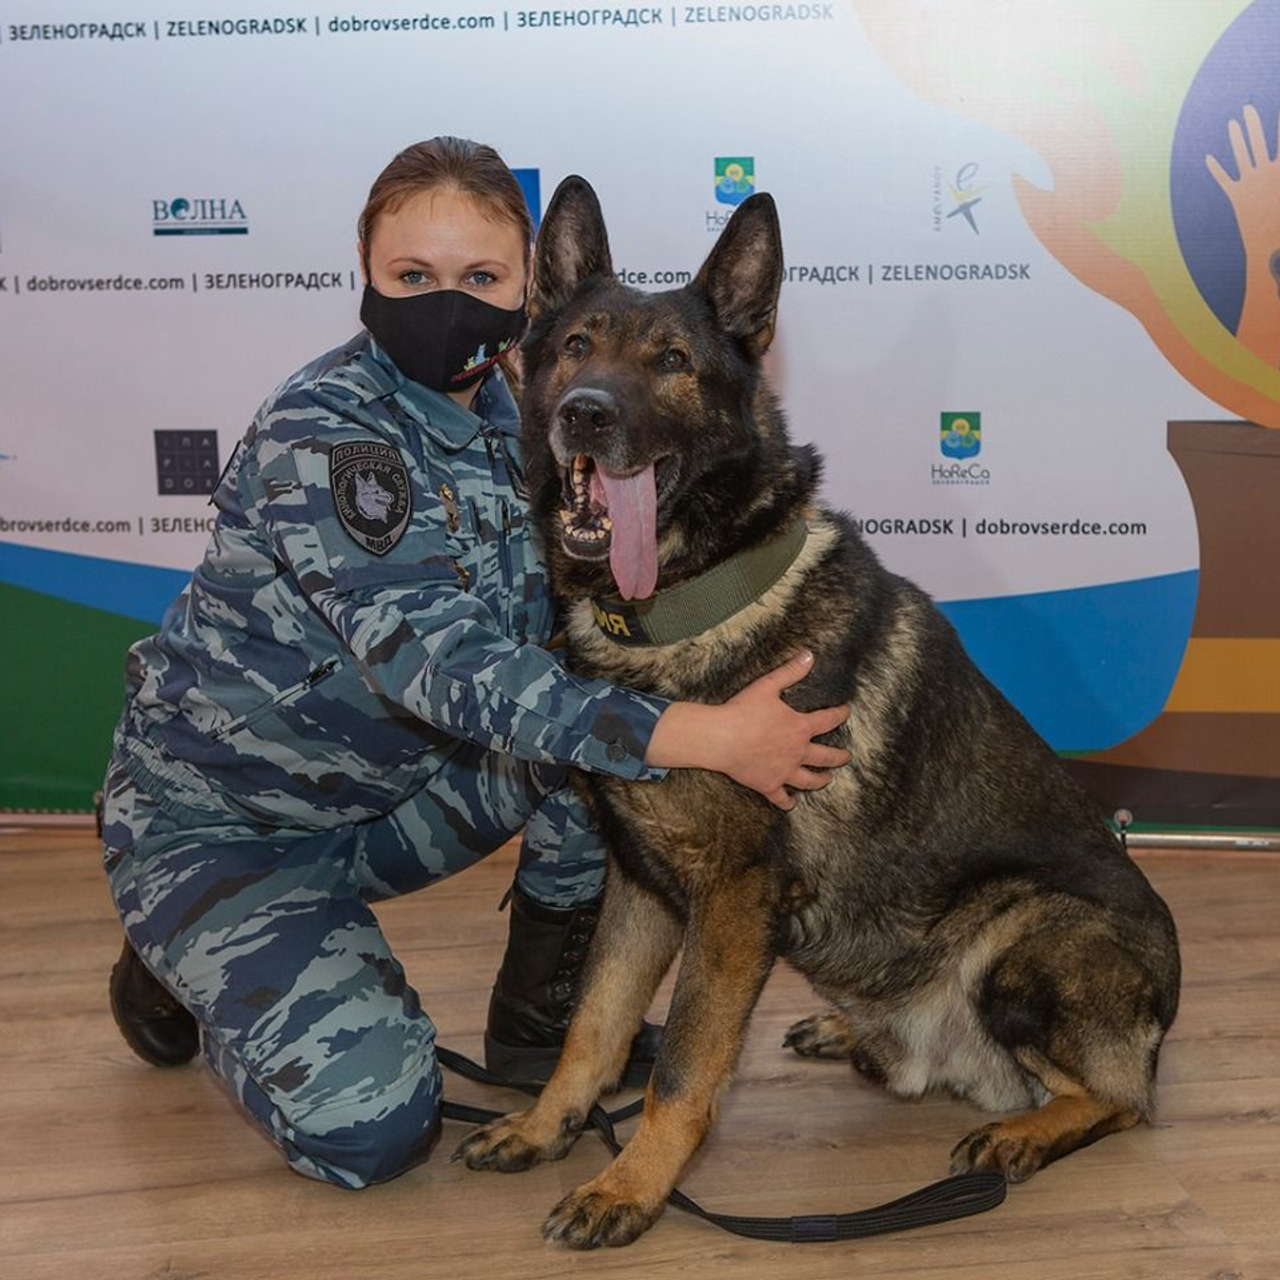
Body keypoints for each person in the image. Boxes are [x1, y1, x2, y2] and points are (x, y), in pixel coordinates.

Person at [101, 137, 851, 1191]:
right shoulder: (328, 432)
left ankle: (537, 1026)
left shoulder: (542, 401)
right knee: (368, 1130)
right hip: (234, 826)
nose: (445, 302)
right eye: (412, 276)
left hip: (396, 794)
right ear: (364, 272)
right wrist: (705, 732)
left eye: (481, 278)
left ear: (524, 290)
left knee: (587, 747)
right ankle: (182, 958)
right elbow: (434, 665)